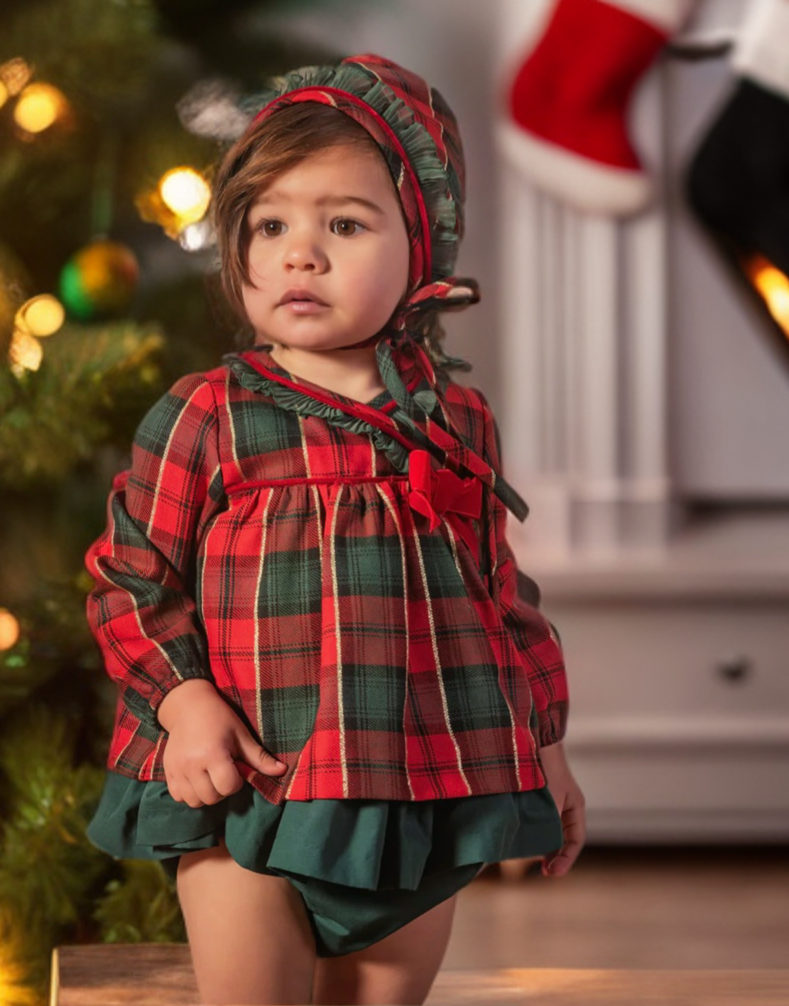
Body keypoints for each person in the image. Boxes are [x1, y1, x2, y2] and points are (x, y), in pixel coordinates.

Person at [83, 53, 586, 1006]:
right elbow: (130, 578)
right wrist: (184, 702)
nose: (297, 254)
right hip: (252, 781)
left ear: (422, 250)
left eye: (343, 225)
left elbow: (501, 595)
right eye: (268, 225)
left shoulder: (453, 421)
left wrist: (548, 748)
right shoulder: (209, 415)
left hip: (417, 784)